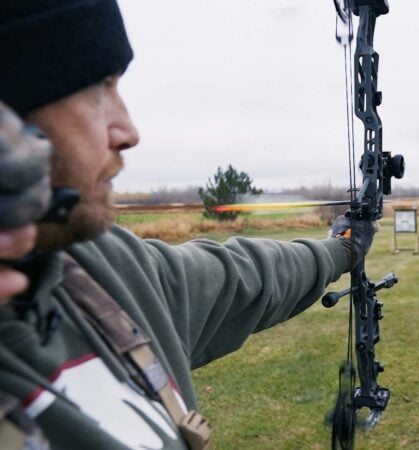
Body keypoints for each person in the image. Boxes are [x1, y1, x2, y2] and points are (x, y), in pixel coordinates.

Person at [0, 1, 373, 448]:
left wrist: (341, 249)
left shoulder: (103, 269)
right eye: (98, 87)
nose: (129, 130)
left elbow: (246, 277)